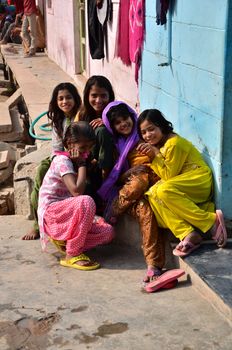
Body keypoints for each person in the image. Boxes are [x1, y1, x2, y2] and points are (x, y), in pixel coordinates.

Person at [137, 109, 228, 257]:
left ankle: (211, 221)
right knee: (152, 194)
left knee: (163, 190)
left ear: (161, 126)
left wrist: (154, 155)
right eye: (144, 132)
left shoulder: (174, 143)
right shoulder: (162, 144)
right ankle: (187, 233)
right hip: (183, 183)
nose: (148, 135)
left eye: (151, 129)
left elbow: (168, 175)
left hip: (198, 181)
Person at [98, 101, 165, 282]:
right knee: (146, 211)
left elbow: (164, 155)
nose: (123, 124)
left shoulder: (144, 135)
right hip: (131, 188)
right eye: (117, 123)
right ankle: (153, 263)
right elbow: (114, 177)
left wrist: (152, 155)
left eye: (125, 119)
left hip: (155, 181)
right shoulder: (115, 145)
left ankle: (153, 266)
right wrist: (130, 172)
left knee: (143, 178)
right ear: (112, 127)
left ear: (132, 117)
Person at [38, 121, 114, 270]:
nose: (87, 152)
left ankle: (67, 242)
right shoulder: (62, 160)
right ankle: (72, 253)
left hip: (66, 213)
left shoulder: (77, 160)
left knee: (108, 232)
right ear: (69, 144)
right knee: (86, 201)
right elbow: (77, 191)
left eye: (90, 147)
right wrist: (82, 164)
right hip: (52, 214)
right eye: (82, 148)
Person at [22, 82, 82, 241]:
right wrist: (63, 159)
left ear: (75, 98)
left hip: (80, 157)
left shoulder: (81, 116)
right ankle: (37, 223)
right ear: (56, 102)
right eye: (60, 99)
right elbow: (56, 148)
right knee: (41, 171)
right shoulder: (58, 120)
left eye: (68, 97)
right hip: (62, 157)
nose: (65, 102)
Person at [76, 75, 115, 181]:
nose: (98, 100)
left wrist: (108, 123)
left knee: (102, 131)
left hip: (110, 162)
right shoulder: (82, 114)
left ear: (109, 96)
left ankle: (106, 179)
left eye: (103, 96)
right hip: (87, 157)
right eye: (94, 95)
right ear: (87, 96)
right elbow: (75, 138)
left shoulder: (115, 113)